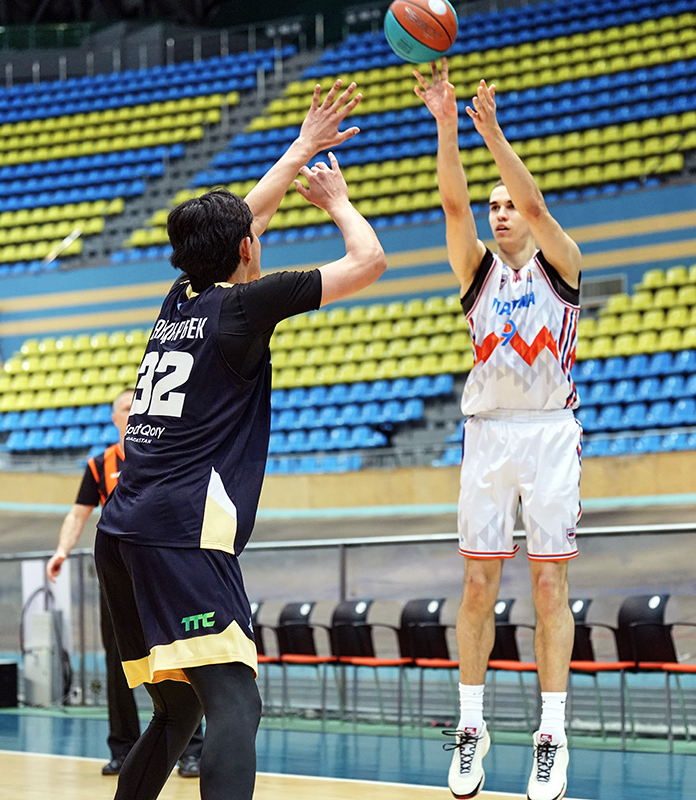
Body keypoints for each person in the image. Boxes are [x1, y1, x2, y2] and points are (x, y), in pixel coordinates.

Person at [94, 78, 385, 800]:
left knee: (179, 708)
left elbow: (238, 222)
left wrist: (301, 147)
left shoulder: (180, 297)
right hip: (182, 534)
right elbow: (369, 262)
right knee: (235, 701)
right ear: (248, 249)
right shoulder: (246, 307)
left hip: (123, 532)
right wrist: (337, 202)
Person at [415, 59, 582, 800]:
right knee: (478, 583)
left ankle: (552, 734)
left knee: (549, 585)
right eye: (495, 206)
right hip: (487, 436)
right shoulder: (477, 273)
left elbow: (538, 203)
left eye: (508, 204)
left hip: (549, 435)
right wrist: (447, 124)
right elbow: (453, 206)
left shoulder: (561, 265)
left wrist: (492, 134)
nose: (500, 212)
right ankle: (471, 725)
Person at [46, 387, 203, 778]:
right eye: (125, 407)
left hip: (163, 572)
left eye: (138, 406)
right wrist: (62, 550)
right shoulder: (100, 464)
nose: (133, 412)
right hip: (118, 575)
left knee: (179, 655)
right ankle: (124, 749)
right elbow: (78, 514)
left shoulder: (167, 453)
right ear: (115, 418)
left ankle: (192, 750)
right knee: (118, 661)